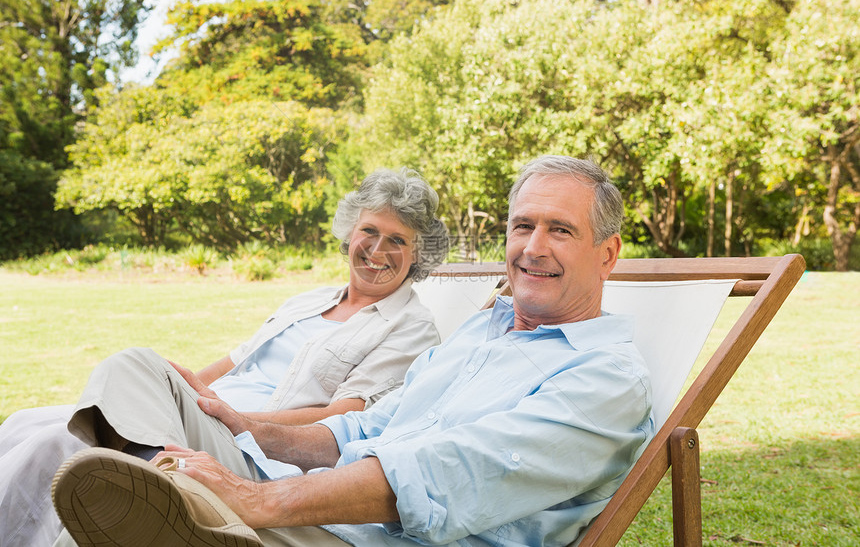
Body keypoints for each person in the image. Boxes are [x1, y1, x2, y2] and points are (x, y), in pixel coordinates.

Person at [52, 155, 656, 547]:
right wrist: (252, 429)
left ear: (607, 255)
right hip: (304, 506)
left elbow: (445, 477)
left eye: (561, 230)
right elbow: (364, 426)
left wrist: (257, 499)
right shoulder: (483, 331)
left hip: (371, 539)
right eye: (523, 226)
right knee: (135, 369)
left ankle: (181, 507)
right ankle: (174, 495)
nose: (533, 247)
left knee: (104, 515)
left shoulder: (605, 379)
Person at [0, 168, 448, 547]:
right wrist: (176, 386)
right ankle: (155, 469)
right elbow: (231, 363)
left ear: (417, 256)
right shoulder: (308, 300)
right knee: (33, 429)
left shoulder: (410, 325)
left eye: (397, 241)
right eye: (370, 231)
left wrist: (233, 417)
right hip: (202, 415)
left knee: (117, 382)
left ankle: (160, 476)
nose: (377, 251)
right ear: (350, 232)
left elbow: (343, 417)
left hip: (252, 446)